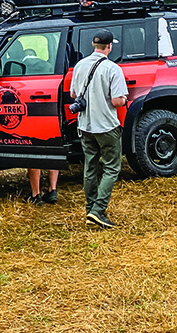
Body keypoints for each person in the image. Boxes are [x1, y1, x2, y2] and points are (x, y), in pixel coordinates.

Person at [71, 29, 128, 229]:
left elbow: (73, 94)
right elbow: (116, 101)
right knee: (112, 167)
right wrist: (124, 99)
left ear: (94, 45)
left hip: (85, 125)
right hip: (106, 125)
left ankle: (89, 208)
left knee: (90, 166)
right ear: (109, 46)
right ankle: (98, 210)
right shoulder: (113, 69)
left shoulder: (79, 65)